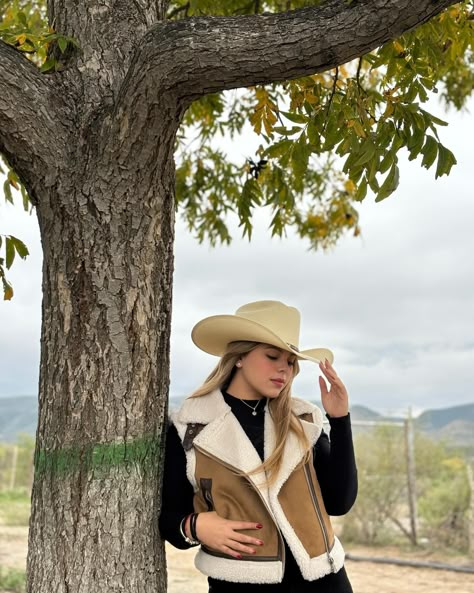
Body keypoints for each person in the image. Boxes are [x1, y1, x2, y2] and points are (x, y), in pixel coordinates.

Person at [159, 300, 358, 592]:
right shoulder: (190, 427)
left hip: (325, 583)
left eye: (290, 362)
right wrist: (196, 527)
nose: (284, 369)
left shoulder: (303, 421)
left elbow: (340, 502)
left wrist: (340, 419)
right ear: (239, 356)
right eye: (272, 356)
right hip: (239, 585)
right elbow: (169, 518)